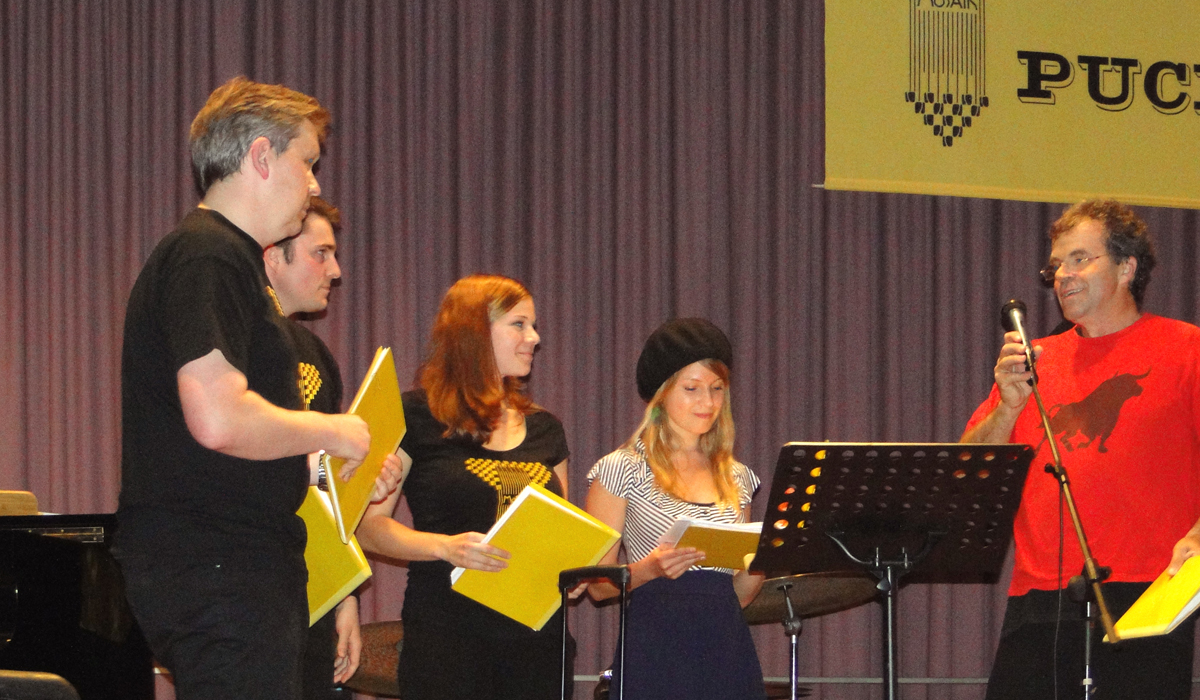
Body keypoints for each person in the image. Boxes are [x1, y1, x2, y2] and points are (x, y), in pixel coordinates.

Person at [117, 77, 377, 700]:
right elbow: (218, 418)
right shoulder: (209, 255)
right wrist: (333, 430)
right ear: (261, 156)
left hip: (229, 565)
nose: (315, 184)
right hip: (220, 566)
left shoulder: (223, 259)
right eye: (307, 162)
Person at [961, 200, 1200, 700]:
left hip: (1149, 592)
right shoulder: (1035, 361)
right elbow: (967, 472)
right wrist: (1006, 408)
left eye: (1079, 259)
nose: (1062, 276)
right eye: (1056, 265)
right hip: (1039, 597)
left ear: (1127, 267)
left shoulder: (1186, 349)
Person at [356, 274, 571, 700]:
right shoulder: (414, 415)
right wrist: (445, 547)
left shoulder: (546, 428)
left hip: (536, 638)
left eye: (533, 325)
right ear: (475, 332)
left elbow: (563, 529)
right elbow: (367, 527)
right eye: (519, 324)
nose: (534, 337)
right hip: (448, 635)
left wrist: (572, 565)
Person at [264, 196, 402, 698]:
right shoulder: (239, 342)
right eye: (321, 253)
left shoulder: (316, 355)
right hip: (249, 580)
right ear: (273, 257)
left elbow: (328, 493)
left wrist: (347, 598)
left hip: (313, 584)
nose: (336, 270)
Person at [585, 318, 766, 700]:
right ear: (661, 393)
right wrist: (650, 568)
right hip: (655, 648)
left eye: (717, 389)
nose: (708, 402)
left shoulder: (737, 477)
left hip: (726, 652)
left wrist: (760, 565)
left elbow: (738, 596)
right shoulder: (622, 469)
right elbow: (597, 586)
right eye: (692, 388)